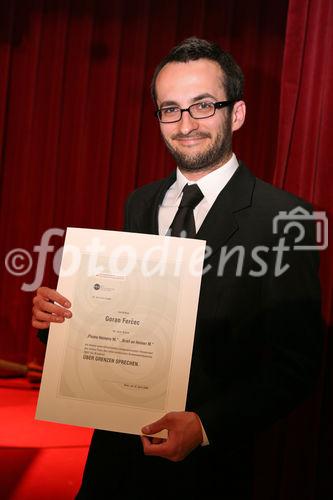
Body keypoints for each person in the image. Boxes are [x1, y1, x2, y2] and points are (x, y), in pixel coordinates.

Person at [32, 37, 323, 499]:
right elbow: (124, 319)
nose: (185, 123)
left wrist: (207, 426)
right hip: (114, 457)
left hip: (206, 469)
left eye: (202, 105)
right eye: (170, 108)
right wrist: (60, 321)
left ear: (237, 114)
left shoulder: (287, 220)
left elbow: (296, 366)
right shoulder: (140, 202)